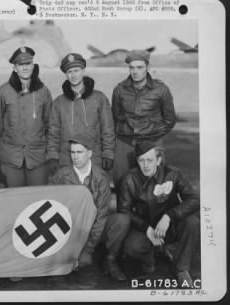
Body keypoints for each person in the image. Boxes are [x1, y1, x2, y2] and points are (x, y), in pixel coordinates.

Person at [110, 141, 200, 286]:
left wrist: (170, 216)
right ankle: (151, 256)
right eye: (141, 160)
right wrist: (146, 229)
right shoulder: (129, 179)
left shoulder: (173, 174)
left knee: (192, 222)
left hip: (170, 224)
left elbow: (194, 199)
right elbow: (124, 210)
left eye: (150, 160)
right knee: (131, 246)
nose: (145, 165)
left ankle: (182, 269)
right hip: (146, 227)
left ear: (158, 160)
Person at [50, 134, 127, 280]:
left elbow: (101, 216)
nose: (75, 157)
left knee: (121, 221)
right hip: (70, 229)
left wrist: (88, 249)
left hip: (94, 227)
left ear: (89, 153)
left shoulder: (101, 178)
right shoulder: (61, 175)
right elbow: (51, 208)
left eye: (79, 152)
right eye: (72, 152)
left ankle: (110, 260)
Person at [111, 50, 176, 190]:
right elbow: (115, 116)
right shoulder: (120, 89)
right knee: (121, 181)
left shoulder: (161, 90)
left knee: (153, 181)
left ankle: (151, 211)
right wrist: (124, 132)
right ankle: (124, 211)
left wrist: (153, 134)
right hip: (125, 141)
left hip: (151, 140)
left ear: (148, 67)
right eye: (132, 68)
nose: (135, 71)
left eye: (139, 67)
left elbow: (169, 120)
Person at [0, 46, 52, 187]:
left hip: (37, 156)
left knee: (38, 200)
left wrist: (39, 141)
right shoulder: (3, 91)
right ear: (14, 68)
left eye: (28, 64)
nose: (25, 68)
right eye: (20, 64)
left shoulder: (43, 91)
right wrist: (9, 139)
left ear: (33, 66)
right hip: (11, 156)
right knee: (13, 198)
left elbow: (49, 121)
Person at [47, 53, 115, 177]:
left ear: (83, 70)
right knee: (69, 195)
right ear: (65, 74)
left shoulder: (99, 98)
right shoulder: (58, 103)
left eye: (76, 70)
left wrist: (108, 153)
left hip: (94, 158)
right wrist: (52, 156)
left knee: (93, 193)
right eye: (69, 71)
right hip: (67, 159)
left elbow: (108, 129)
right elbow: (53, 132)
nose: (73, 75)